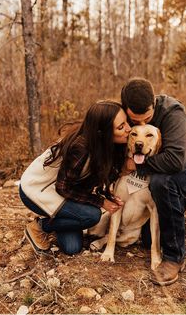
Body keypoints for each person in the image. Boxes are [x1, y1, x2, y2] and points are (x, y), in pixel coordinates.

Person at [121, 78, 186, 286]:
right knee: (147, 240)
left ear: (153, 103)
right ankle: (174, 205)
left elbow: (175, 161)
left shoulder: (173, 112)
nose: (141, 124)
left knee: (161, 183)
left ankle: (174, 257)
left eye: (147, 118)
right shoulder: (124, 112)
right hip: (162, 168)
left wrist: (136, 166)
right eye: (135, 121)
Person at [19, 100, 131, 256]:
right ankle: (40, 226)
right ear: (103, 132)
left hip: (62, 193)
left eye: (126, 122)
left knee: (72, 248)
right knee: (92, 215)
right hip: (36, 190)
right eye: (121, 127)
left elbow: (89, 182)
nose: (128, 129)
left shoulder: (106, 145)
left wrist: (109, 197)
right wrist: (101, 202)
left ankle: (57, 218)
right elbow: (62, 187)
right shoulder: (81, 147)